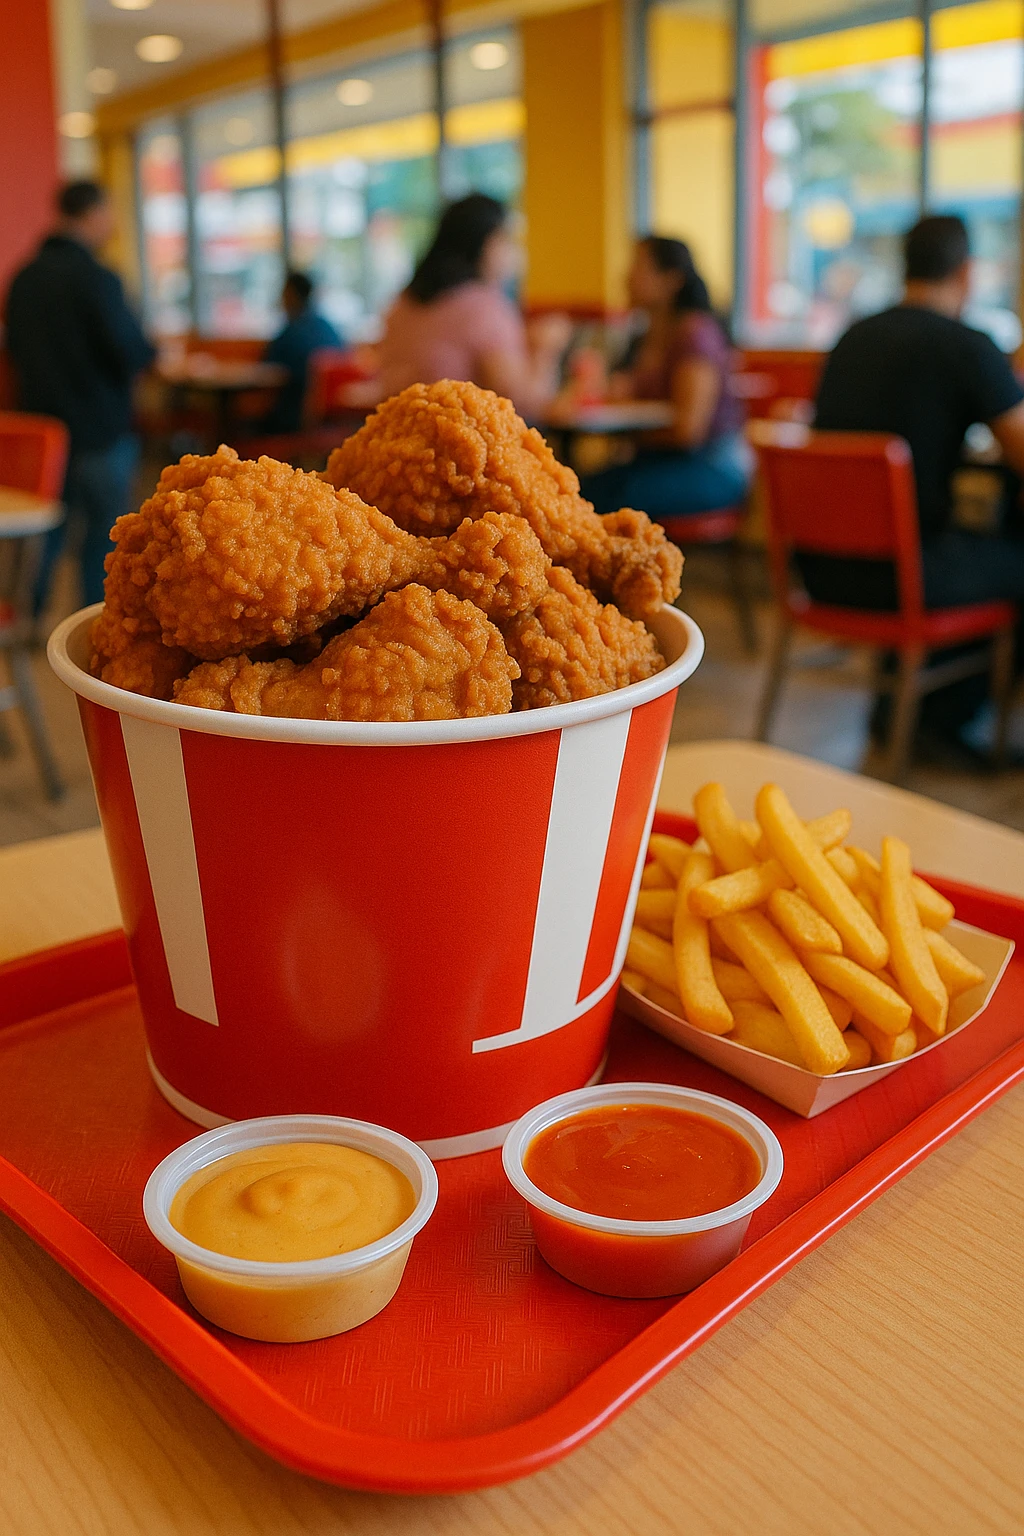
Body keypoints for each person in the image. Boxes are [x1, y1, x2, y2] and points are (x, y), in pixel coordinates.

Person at [806, 215, 1024, 753]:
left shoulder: (851, 338)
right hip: (904, 581)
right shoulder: (967, 345)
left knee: (952, 544)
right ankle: (944, 723)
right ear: (966, 273)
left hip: (819, 571)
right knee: (1011, 558)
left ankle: (903, 710)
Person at [6, 179, 155, 613]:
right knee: (104, 538)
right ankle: (96, 623)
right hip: (99, 431)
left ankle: (27, 621)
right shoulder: (97, 277)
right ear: (93, 213)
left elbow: (13, 352)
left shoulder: (23, 279)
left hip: (42, 435)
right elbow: (130, 350)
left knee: (45, 534)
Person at [580, 237, 750, 518]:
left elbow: (688, 431)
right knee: (582, 487)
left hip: (710, 466)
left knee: (604, 496)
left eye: (638, 267)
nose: (627, 277)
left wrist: (630, 427)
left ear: (672, 280)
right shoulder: (644, 335)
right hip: (661, 461)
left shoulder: (696, 334)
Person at [372, 193, 570, 419]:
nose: (515, 252)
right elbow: (521, 402)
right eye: (507, 240)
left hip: (397, 432)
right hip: (454, 437)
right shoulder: (484, 308)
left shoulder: (403, 301)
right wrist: (545, 348)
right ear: (485, 244)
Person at [261, 270, 342, 433]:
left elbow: (267, 368)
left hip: (294, 417)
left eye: (284, 293)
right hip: (334, 420)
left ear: (291, 295)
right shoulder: (328, 328)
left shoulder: (292, 331)